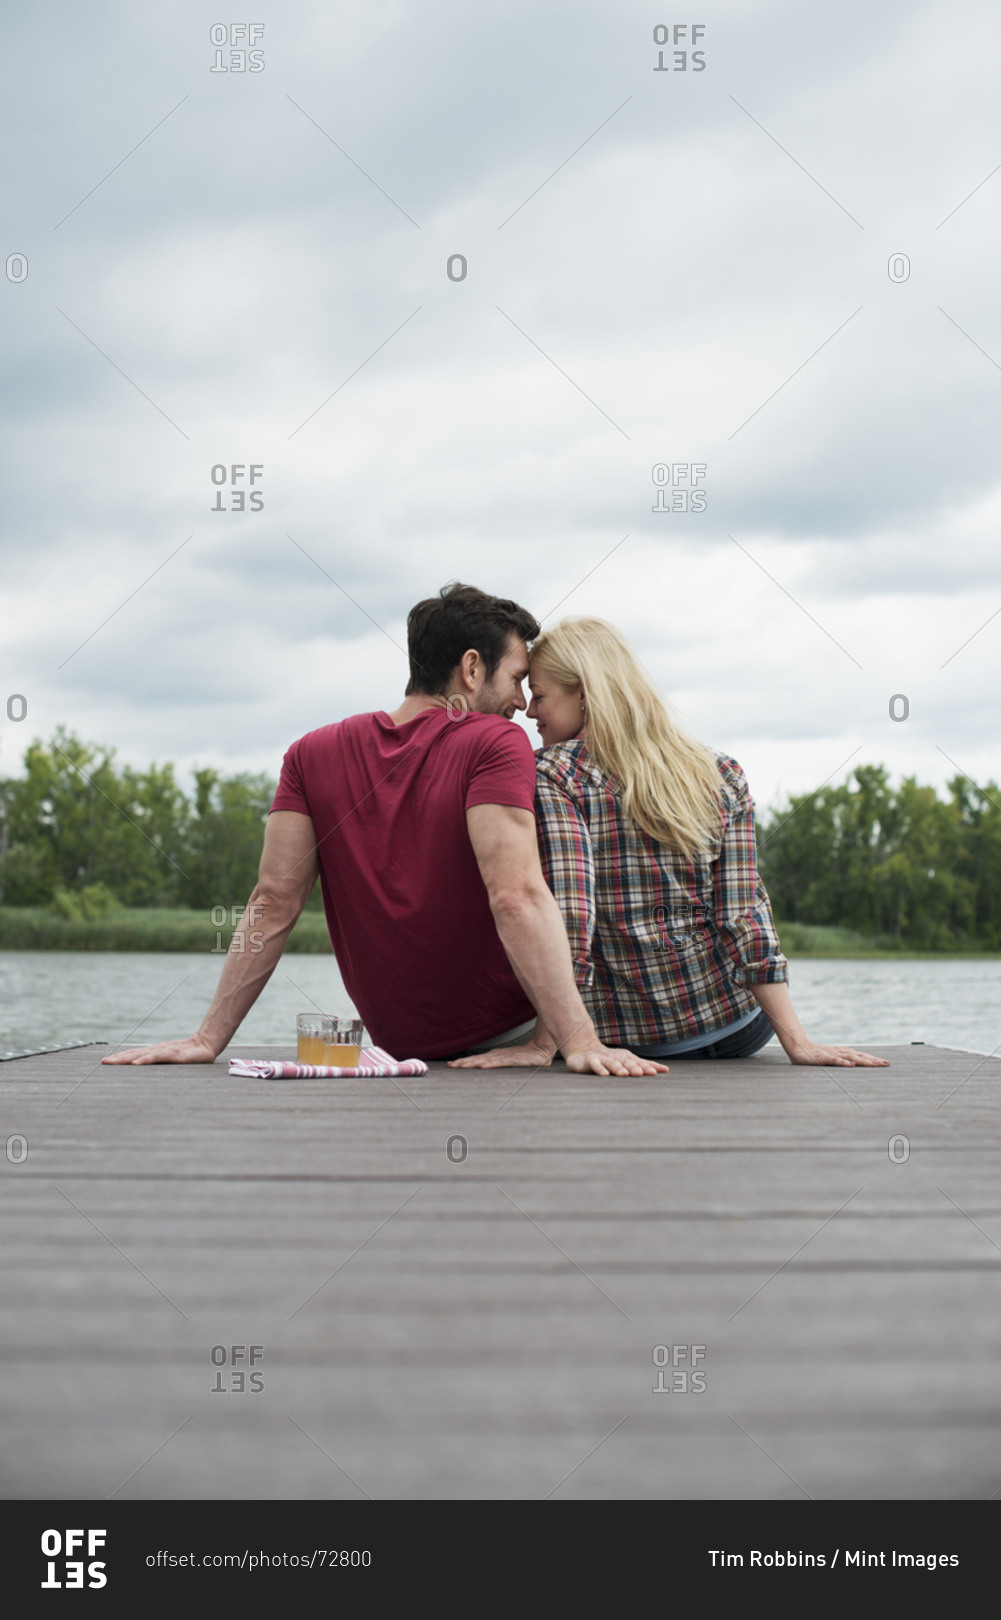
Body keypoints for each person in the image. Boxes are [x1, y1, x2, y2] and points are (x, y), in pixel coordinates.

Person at [104, 585, 667, 1076]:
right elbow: (516, 895)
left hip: (403, 1048)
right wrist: (578, 1039)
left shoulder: (309, 753)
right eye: (518, 679)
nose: (522, 704)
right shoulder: (494, 743)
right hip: (511, 1036)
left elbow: (272, 901)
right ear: (472, 670)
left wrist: (208, 1039)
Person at [450, 617, 889, 1071]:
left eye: (539, 696)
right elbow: (743, 914)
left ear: (583, 693)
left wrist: (546, 1044)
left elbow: (571, 918)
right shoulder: (720, 771)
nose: (528, 710)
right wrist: (798, 1042)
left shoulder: (553, 774)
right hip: (741, 1029)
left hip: (640, 1040)